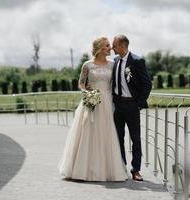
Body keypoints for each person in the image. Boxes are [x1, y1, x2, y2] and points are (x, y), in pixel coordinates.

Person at [58, 37, 127, 181]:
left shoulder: (113, 64)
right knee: (89, 133)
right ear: (101, 48)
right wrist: (87, 93)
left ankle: (107, 170)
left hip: (107, 102)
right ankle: (82, 170)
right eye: (108, 46)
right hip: (91, 101)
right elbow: (81, 84)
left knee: (106, 133)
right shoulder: (87, 65)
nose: (111, 48)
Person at [112, 34, 152, 181]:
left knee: (135, 139)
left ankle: (136, 170)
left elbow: (147, 84)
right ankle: (122, 167)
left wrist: (138, 105)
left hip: (132, 106)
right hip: (118, 106)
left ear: (122, 46)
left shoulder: (137, 61)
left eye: (114, 45)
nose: (112, 47)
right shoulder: (115, 61)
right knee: (118, 138)